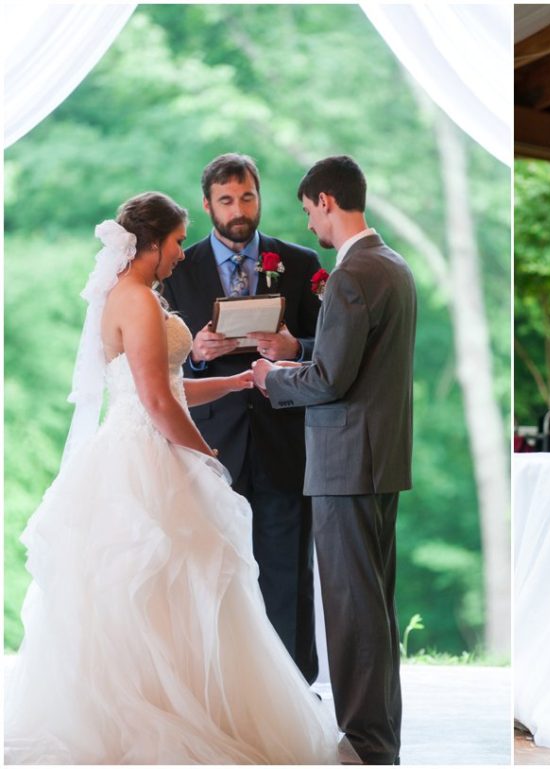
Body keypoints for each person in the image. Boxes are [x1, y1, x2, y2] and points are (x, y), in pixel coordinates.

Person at [4, 193, 337, 763]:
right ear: (152, 243)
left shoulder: (139, 297)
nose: (183, 254)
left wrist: (232, 384)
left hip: (150, 443)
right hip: (144, 460)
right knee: (156, 585)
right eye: (179, 242)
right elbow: (157, 403)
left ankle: (192, 703)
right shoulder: (133, 300)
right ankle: (151, 717)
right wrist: (204, 451)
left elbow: (167, 387)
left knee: (184, 589)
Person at [252, 156, 417, 766]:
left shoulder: (351, 275)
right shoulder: (391, 265)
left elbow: (328, 381)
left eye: (307, 210)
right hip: (380, 459)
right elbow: (357, 356)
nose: (310, 224)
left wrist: (275, 377)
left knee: (351, 608)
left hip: (346, 460)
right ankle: (380, 738)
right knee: (371, 603)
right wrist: (302, 346)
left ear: (325, 200)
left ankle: (366, 743)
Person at [163, 153, 323, 684]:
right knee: (214, 570)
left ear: (260, 197)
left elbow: (329, 353)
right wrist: (198, 352)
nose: (238, 209)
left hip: (284, 437)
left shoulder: (300, 264)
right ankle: (218, 688)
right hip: (211, 443)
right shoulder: (176, 268)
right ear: (207, 204)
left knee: (285, 568)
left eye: (247, 197)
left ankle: (293, 693)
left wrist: (292, 344)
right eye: (226, 200)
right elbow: (157, 360)